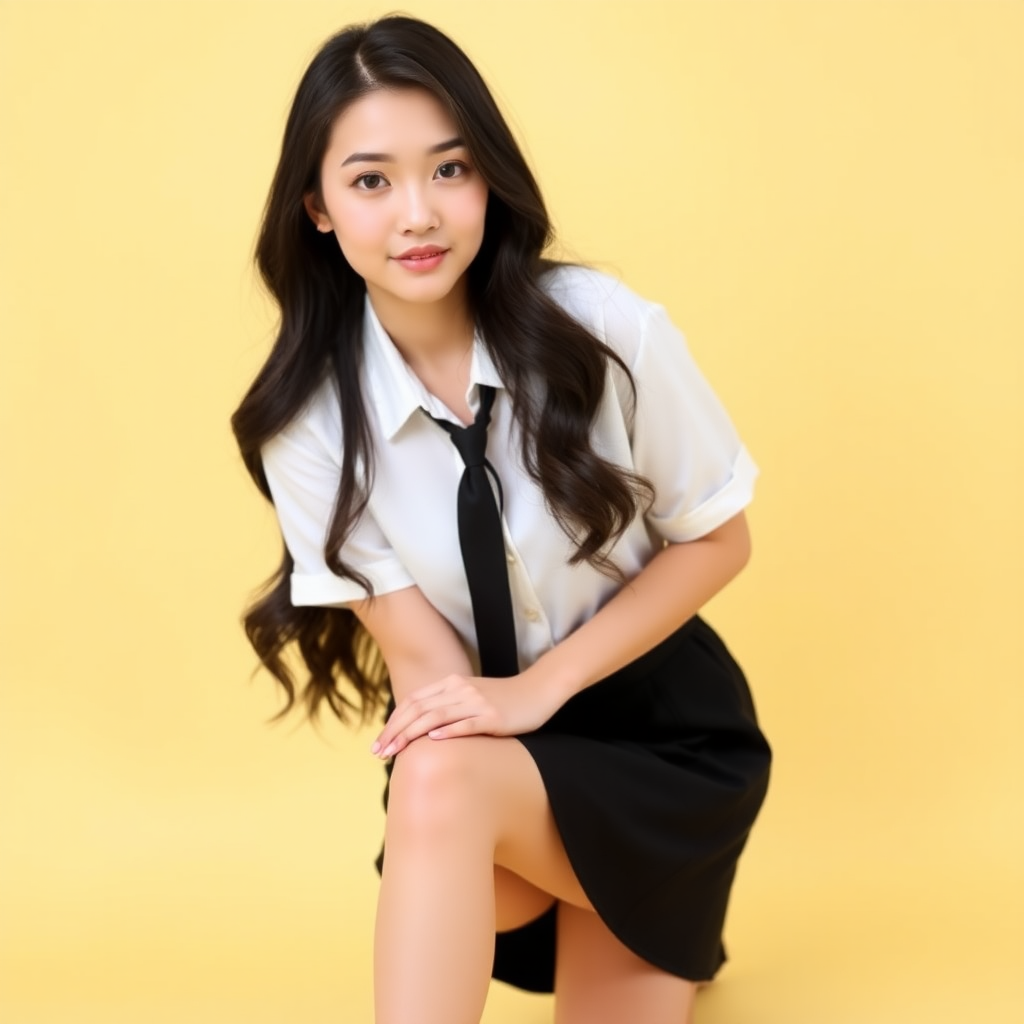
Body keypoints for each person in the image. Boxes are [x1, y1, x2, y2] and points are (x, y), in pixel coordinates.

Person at [232, 15, 771, 1024]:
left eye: (449, 169)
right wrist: (505, 725)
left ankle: (666, 920)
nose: (417, 215)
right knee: (436, 776)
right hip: (490, 776)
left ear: (489, 179)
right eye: (370, 180)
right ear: (315, 206)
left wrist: (543, 687)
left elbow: (718, 537)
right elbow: (428, 673)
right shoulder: (306, 425)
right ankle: (608, 908)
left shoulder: (606, 331)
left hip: (665, 744)